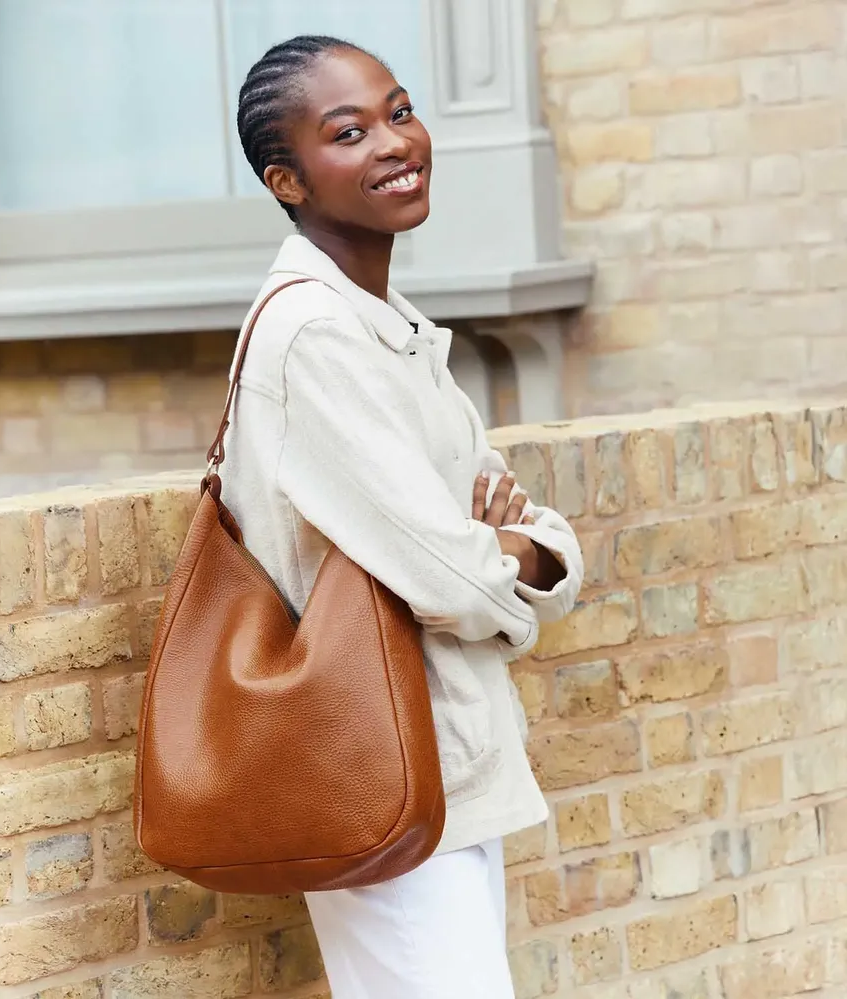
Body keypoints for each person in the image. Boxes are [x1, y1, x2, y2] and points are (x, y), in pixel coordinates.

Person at [223, 34, 584, 999]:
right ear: (286, 180)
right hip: (377, 764)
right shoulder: (316, 338)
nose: (394, 142)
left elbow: (509, 531)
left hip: (437, 762)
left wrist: (519, 549)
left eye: (401, 110)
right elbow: (452, 574)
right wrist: (500, 553)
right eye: (349, 131)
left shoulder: (387, 321)